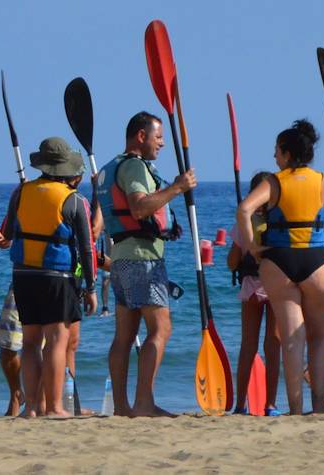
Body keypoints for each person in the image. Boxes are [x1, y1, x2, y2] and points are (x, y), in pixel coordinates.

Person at [236, 119, 324, 415]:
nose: (274, 157)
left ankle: (295, 408)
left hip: (278, 262)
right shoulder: (322, 181)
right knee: (319, 336)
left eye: (276, 151)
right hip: (315, 262)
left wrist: (252, 247)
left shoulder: (274, 182)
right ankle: (318, 405)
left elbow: (244, 210)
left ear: (286, 152)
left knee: (292, 339)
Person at [97, 111, 194, 417]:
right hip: (142, 259)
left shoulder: (108, 168)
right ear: (141, 136)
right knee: (161, 328)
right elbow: (139, 208)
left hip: (122, 259)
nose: (163, 144)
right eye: (159, 137)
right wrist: (178, 187)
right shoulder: (134, 167)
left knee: (124, 336)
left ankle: (123, 407)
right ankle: (143, 404)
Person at [0, 137, 98, 417]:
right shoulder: (74, 200)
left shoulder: (22, 192)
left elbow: (9, 232)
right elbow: (87, 248)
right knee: (56, 341)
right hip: (57, 276)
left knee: (29, 342)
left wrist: (2, 240)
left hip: (23, 275)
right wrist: (92, 285)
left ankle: (33, 409)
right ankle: (54, 407)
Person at [227, 171, 281, 417]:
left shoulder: (243, 224)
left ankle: (241, 404)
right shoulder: (280, 222)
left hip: (251, 286)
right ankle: (270, 404)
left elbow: (231, 262)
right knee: (274, 344)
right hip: (276, 286)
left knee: (248, 345)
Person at [0, 285, 24, 416]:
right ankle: (16, 395)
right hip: (22, 278)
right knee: (7, 344)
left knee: (49, 347)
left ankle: (42, 402)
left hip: (56, 277)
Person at [99, 236, 114, 316]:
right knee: (105, 283)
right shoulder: (106, 226)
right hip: (107, 258)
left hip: (119, 257)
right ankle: (105, 308)